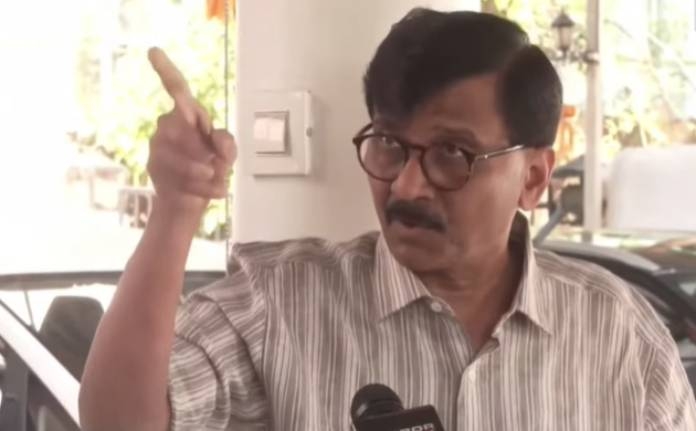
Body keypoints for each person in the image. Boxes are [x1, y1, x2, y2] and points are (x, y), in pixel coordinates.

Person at [79, 9, 696, 431]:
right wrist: (177, 207)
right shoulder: (280, 306)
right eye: (389, 145)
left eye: (451, 153)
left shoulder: (618, 335)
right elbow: (116, 421)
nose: (406, 185)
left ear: (533, 177)